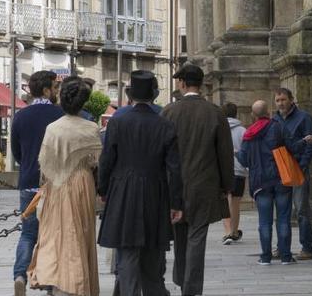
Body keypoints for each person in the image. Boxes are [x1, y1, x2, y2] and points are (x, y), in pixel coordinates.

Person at [99, 70, 183, 296]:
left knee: (127, 250)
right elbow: (174, 168)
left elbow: (107, 159)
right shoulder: (165, 125)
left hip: (123, 190)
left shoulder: (118, 122)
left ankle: (128, 292)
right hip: (155, 191)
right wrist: (176, 203)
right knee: (153, 251)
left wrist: (103, 189)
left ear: (130, 95)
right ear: (154, 95)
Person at [161, 64, 235, 296]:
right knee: (197, 238)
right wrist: (227, 186)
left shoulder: (169, 112)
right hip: (205, 185)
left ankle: (182, 279)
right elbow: (225, 153)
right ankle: (190, 289)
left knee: (180, 236)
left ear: (182, 83)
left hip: (174, 186)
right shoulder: (215, 113)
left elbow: (161, 152)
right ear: (201, 84)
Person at [28, 78, 103, 296]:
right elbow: (95, 160)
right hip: (82, 182)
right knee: (81, 232)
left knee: (57, 233)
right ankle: (80, 283)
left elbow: (44, 163)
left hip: (57, 183)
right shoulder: (91, 127)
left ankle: (60, 279)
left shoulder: (53, 128)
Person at [11, 70, 64, 296]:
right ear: (46, 90)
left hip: (28, 183)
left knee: (28, 234)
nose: (57, 91)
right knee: (53, 235)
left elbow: (16, 151)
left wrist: (28, 166)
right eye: (55, 87)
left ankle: (20, 275)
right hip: (55, 184)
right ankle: (51, 282)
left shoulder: (21, 116)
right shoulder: (60, 114)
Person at [237, 100, 301, 266]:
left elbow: (243, 160)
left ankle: (265, 257)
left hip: (260, 182)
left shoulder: (249, 133)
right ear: (269, 112)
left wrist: (239, 154)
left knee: (264, 222)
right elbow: (292, 148)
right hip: (281, 179)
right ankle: (285, 256)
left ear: (253, 115)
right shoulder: (278, 127)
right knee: (283, 219)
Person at [272, 88, 312, 260]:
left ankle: (307, 248)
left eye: (283, 99)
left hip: (299, 169)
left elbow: (311, 145)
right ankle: (282, 247)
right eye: (277, 100)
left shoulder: (304, 118)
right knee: (282, 211)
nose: (281, 103)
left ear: (291, 99)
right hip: (281, 171)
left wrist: (303, 166)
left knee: (301, 210)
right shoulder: (275, 119)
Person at [221, 103, 247, 244]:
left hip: (223, 170)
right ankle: (234, 231)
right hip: (238, 170)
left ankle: (227, 231)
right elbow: (246, 151)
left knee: (225, 200)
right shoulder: (243, 131)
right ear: (236, 113)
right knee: (236, 202)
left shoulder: (219, 129)